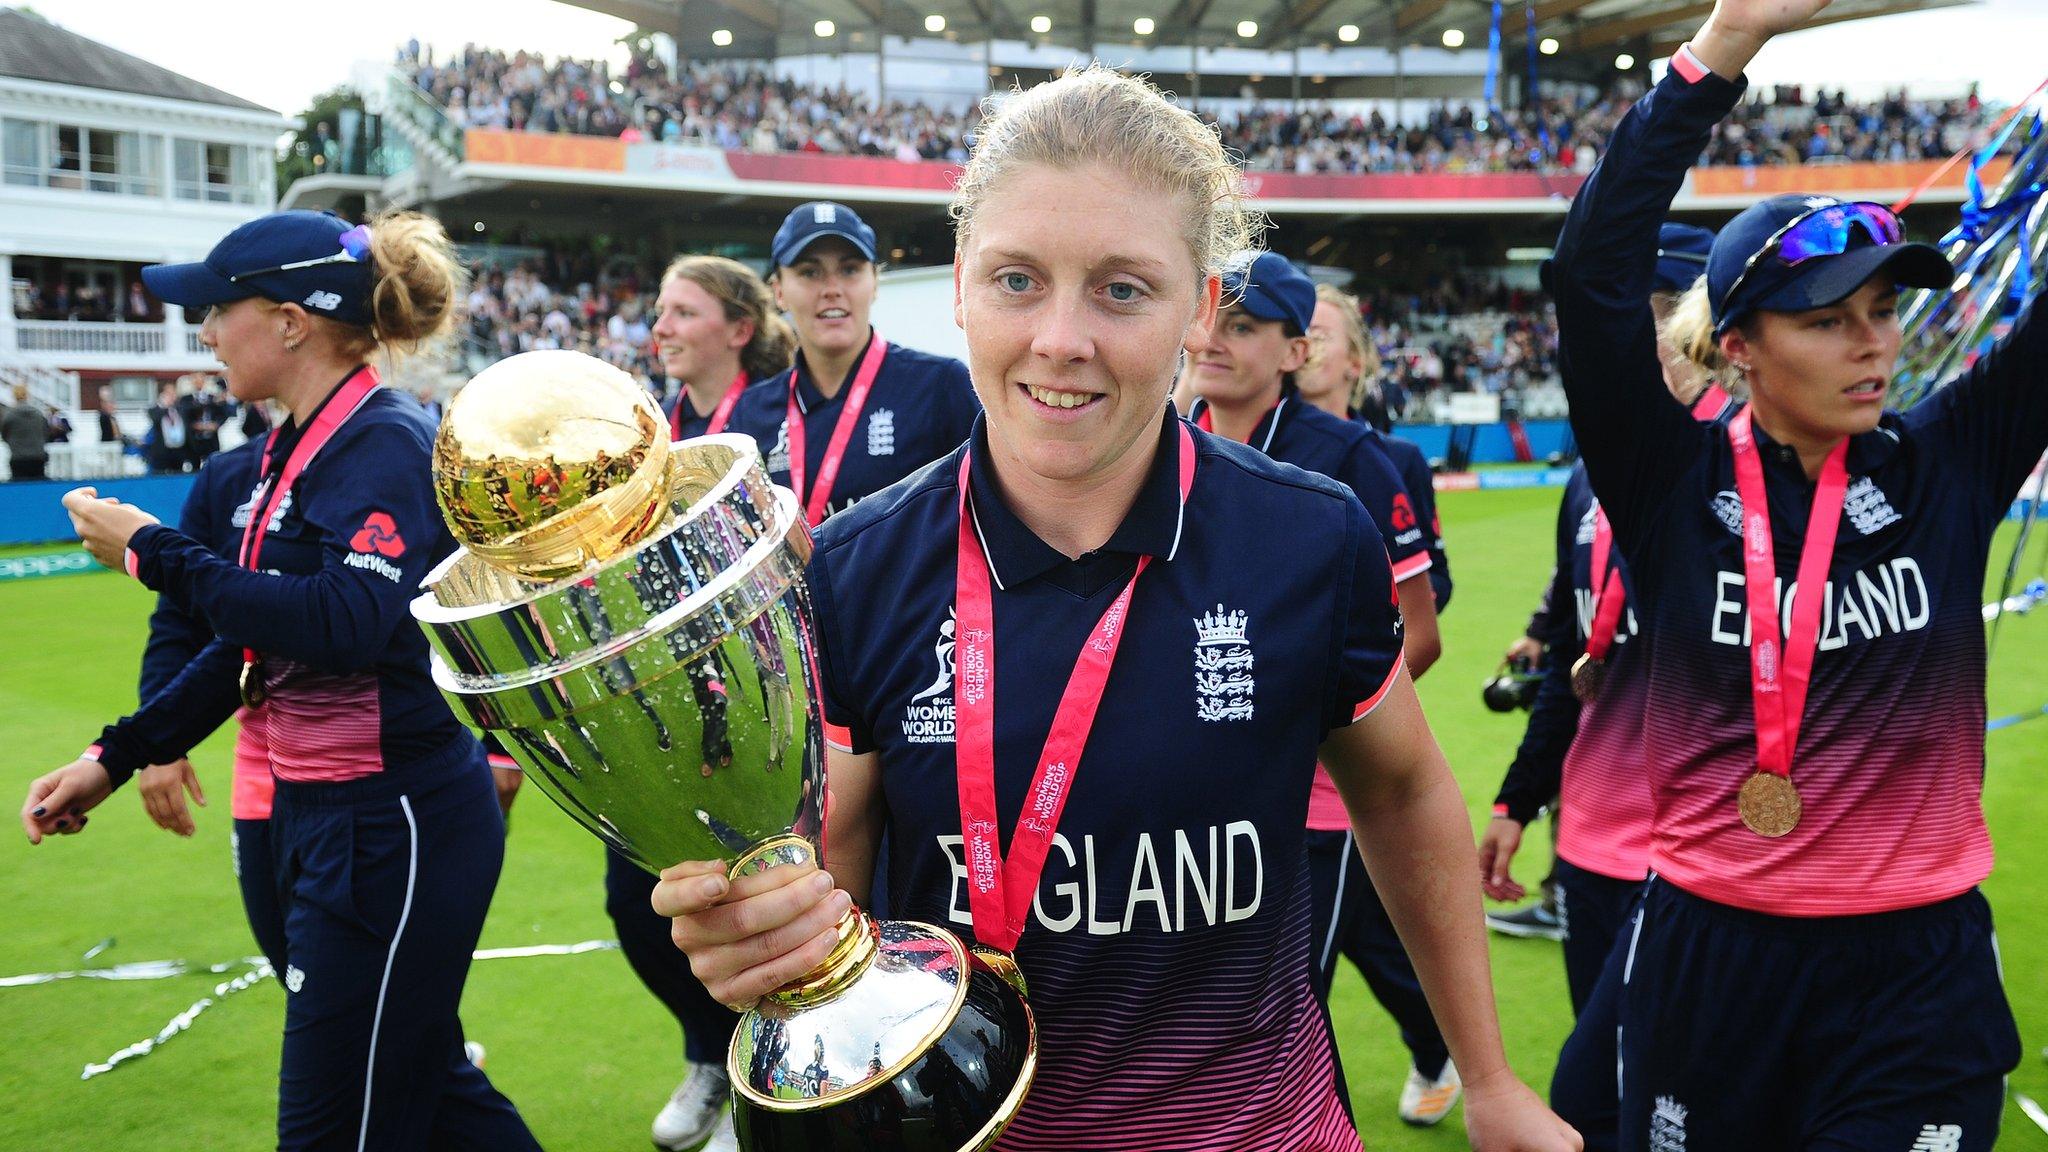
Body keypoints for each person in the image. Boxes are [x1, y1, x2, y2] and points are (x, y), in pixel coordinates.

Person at [655, 67, 1579, 1152]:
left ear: (1198, 307)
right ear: (959, 285)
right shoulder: (857, 567)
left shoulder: (1307, 539)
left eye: (1120, 290)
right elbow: (835, 864)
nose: (1059, 338)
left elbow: (1404, 787)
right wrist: (767, 941)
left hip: (1258, 1130)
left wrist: (1488, 1075)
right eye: (1015, 280)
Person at [1548, 1, 2038, 1146]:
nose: (1872, 343)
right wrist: (1721, 47)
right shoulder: (1668, 484)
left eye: (1882, 311)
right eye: (1826, 319)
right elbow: (1589, 276)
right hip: (1711, 953)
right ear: (1736, 345)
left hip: (1915, 967)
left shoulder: (1948, 460)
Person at [20, 209, 542, 1152]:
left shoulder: (384, 440)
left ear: (293, 320)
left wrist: (152, 552)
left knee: (329, 1130)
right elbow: (254, 649)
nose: (206, 333)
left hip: (394, 821)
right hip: (323, 816)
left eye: (221, 309)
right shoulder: (285, 451)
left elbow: (346, 623)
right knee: (431, 1090)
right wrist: (119, 752)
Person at [1186, 251, 1460, 1127]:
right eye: (1215, 317)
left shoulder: (1350, 460)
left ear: (1296, 351)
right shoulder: (1160, 436)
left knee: (1286, 1004)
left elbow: (1419, 631)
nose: (1219, 340)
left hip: (1307, 792)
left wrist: (1297, 731)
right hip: (1187, 785)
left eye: (1246, 325)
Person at [1479, 225, 1717, 1152]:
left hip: (1707, 861)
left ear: (1692, 329)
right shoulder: (1588, 484)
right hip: (1591, 846)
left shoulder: (1756, 476)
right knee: (1617, 1106)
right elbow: (1580, 667)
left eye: (1626, 320)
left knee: (1646, 1104)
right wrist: (1517, 800)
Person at [628, 251, 795, 1152]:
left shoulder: (769, 420)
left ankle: (760, 1081)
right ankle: (711, 1057)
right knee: (639, 904)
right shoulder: (643, 431)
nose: (662, 327)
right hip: (667, 711)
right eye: (661, 309)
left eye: (683, 311)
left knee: (761, 898)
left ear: (738, 330)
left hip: (762, 694)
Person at [724, 200, 980, 525]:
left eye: (849, 270)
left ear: (874, 282)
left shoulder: (940, 385)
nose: (832, 289)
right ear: (778, 292)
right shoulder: (753, 411)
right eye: (809, 272)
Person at [1305, 284, 1455, 610]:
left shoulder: (1399, 459)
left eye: (1318, 335)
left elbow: (1438, 582)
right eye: (1298, 333)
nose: (1305, 345)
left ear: (1355, 362)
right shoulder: (1258, 450)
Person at [2, 382, 50, 479]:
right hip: (38, 456)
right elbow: (45, 432)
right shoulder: (38, 414)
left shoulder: (10, 415)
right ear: (27, 396)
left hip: (18, 457)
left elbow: (4, 434)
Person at [145, 384, 188, 473]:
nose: (172, 396)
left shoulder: (180, 409)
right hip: (162, 451)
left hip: (178, 450)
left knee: (178, 474)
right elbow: (155, 418)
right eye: (169, 393)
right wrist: (164, 405)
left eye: (174, 393)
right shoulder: (154, 410)